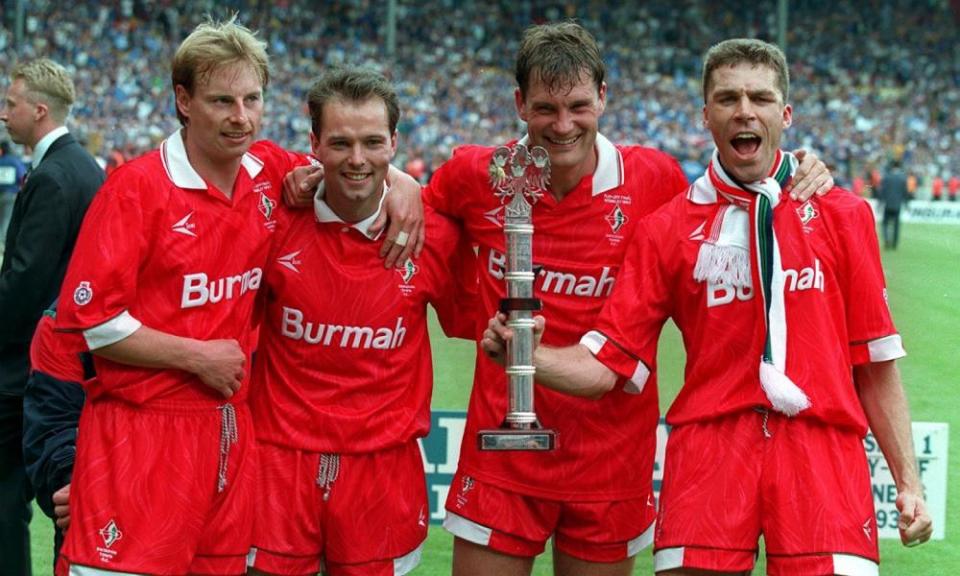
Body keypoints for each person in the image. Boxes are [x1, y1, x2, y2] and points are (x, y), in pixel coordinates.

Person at [483, 38, 933, 575]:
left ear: (785, 113)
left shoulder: (844, 215)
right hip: (710, 450)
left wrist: (909, 483)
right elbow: (609, 363)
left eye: (760, 98)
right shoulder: (667, 228)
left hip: (823, 450)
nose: (745, 110)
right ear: (705, 116)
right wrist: (526, 353)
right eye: (727, 99)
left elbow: (876, 363)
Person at [421, 23, 833, 576]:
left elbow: (736, 199)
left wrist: (804, 167)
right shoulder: (481, 174)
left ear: (604, 98)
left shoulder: (654, 180)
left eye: (578, 106)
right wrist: (399, 190)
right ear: (520, 103)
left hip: (611, 459)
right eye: (545, 108)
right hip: (504, 452)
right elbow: (422, 209)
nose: (562, 125)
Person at [54, 18, 422, 575]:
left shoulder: (268, 171)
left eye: (252, 99)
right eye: (222, 100)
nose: (240, 117)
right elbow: (92, 322)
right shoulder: (135, 188)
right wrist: (196, 356)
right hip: (141, 432)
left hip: (230, 437)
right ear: (183, 100)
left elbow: (354, 165)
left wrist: (404, 184)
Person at [246, 66, 476, 576]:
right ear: (313, 144)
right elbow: (246, 157)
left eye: (373, 142)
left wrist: (410, 183)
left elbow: (471, 320)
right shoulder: (275, 215)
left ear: (395, 142)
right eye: (340, 142)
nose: (357, 159)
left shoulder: (432, 233)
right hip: (277, 460)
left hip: (381, 468)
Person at [0, 58, 104, 576]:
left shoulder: (55, 176)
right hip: (68, 363)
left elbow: (26, 282)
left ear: (39, 110)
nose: (3, 114)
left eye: (11, 104)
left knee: (7, 495)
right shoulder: (84, 165)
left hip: (29, 368)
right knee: (62, 494)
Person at [21, 300, 89, 573]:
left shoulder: (221, 306)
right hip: (91, 521)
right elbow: (51, 430)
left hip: (207, 522)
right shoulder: (62, 322)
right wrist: (82, 484)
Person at [0, 138, 27, 249]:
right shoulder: (14, 161)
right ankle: (2, 243)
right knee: (6, 219)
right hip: (10, 195)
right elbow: (22, 176)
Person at [878, 158, 909, 250]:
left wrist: (880, 202)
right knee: (896, 225)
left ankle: (887, 240)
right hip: (897, 205)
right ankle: (894, 243)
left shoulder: (887, 177)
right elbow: (905, 192)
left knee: (885, 223)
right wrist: (906, 203)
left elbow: (882, 191)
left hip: (888, 204)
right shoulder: (903, 178)